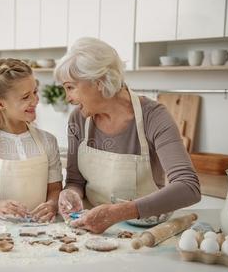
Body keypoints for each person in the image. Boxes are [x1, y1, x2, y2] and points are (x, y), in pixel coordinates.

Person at [55, 37, 201, 233]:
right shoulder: (78, 119)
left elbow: (188, 187)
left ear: (98, 82)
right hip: (90, 229)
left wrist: (117, 213)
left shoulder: (154, 117)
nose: (68, 98)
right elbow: (75, 181)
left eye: (70, 87)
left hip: (143, 233)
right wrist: (70, 193)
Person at [0, 58, 63, 222]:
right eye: (25, 97)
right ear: (0, 104)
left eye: (35, 92)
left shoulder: (48, 141)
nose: (35, 100)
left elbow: (55, 189)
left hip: (42, 233)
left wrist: (52, 204)